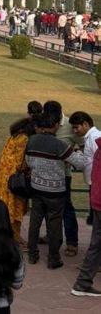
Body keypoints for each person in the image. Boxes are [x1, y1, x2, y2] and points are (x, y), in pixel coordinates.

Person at [25, 112, 84, 269]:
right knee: (55, 224)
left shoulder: (31, 140)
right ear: (56, 125)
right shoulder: (59, 144)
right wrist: (78, 152)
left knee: (34, 222)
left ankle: (32, 255)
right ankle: (53, 258)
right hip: (55, 191)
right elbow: (79, 163)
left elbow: (28, 162)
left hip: (36, 188)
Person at [71, 112, 101, 297]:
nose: (75, 131)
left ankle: (83, 282)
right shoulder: (95, 141)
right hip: (98, 195)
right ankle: (82, 283)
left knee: (97, 242)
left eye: (76, 127)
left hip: (97, 195)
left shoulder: (96, 141)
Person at [0, 118, 35, 242]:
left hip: (3, 179)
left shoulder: (13, 137)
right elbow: (20, 162)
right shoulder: (24, 139)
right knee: (14, 209)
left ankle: (4, 236)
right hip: (14, 181)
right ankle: (14, 238)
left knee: (4, 208)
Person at [68, 111, 101, 227]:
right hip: (95, 183)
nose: (74, 131)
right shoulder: (91, 137)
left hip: (97, 184)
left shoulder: (95, 137)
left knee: (97, 222)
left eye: (76, 127)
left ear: (85, 124)